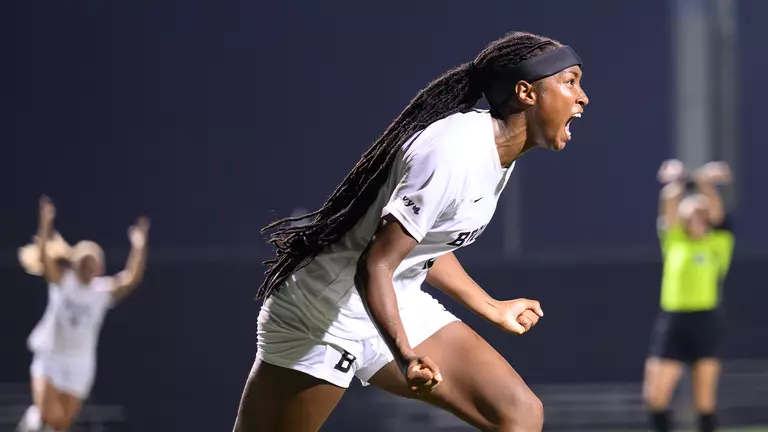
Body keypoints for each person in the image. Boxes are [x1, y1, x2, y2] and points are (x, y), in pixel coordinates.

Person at [234, 31, 589, 432]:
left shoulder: (498, 152)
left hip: (392, 297)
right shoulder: (454, 152)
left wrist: (492, 307)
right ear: (526, 92)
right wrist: (404, 355)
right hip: (323, 313)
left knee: (519, 413)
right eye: (570, 81)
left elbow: (424, 246)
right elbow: (376, 263)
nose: (582, 97)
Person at [16, 196, 150, 432]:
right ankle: (34, 419)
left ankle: (39, 426)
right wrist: (45, 223)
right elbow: (45, 255)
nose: (91, 267)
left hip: (80, 363)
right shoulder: (63, 281)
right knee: (46, 413)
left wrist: (139, 246)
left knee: (62, 423)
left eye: (95, 263)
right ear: (77, 264)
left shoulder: (101, 292)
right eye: (87, 262)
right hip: (52, 355)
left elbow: (131, 278)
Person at [643, 160, 735, 432]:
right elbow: (669, 200)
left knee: (704, 404)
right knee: (655, 397)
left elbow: (717, 209)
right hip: (674, 321)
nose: (694, 214)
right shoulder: (674, 241)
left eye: (700, 211)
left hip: (706, 322)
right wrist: (677, 179)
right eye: (689, 212)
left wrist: (705, 181)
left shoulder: (718, 244)